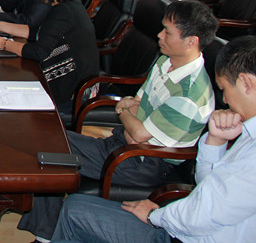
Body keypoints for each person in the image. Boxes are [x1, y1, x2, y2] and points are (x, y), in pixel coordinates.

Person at [17, 0, 219, 242]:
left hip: (145, 162)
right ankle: (45, 231)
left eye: (167, 32)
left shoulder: (190, 94)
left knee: (50, 149)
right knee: (47, 139)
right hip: (126, 144)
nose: (159, 35)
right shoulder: (166, 61)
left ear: (191, 41)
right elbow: (137, 102)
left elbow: (138, 130)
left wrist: (124, 112)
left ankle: (44, 235)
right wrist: (132, 117)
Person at [50, 35, 256, 243]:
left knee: (72, 208)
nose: (225, 100)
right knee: (73, 208)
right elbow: (207, 185)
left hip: (181, 235)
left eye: (224, 90)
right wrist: (216, 141)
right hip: (181, 225)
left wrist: (154, 216)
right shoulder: (249, 133)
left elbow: (200, 217)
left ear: (246, 83)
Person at [0, 0, 98, 108]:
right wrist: (0, 25)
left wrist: (4, 44)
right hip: (72, 79)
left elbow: (38, 52)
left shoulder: (64, 12)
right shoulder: (69, 4)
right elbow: (37, 32)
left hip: (74, 91)